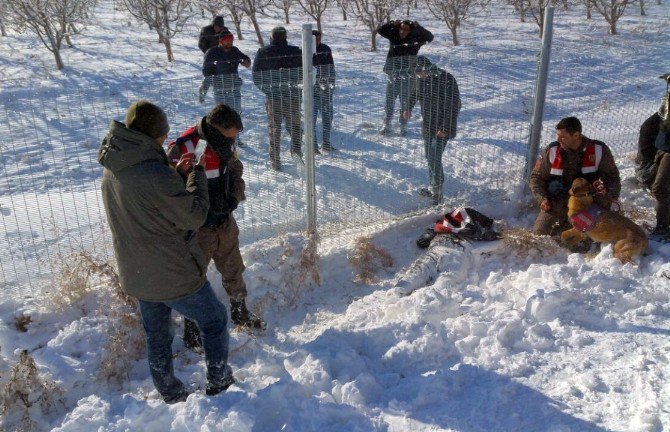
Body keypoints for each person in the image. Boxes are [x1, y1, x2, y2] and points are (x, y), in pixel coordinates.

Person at [98, 100, 234, 403]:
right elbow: (194, 215)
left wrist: (172, 171)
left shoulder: (116, 167)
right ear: (153, 136)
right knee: (214, 320)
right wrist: (195, 175)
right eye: (163, 134)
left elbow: (147, 202)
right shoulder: (153, 174)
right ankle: (219, 381)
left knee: (157, 335)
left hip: (138, 272)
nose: (165, 139)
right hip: (173, 271)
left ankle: (170, 392)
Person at [167, 104, 266, 348]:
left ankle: (240, 312)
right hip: (198, 227)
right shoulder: (185, 145)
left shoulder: (224, 143)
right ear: (215, 128)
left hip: (224, 221)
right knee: (194, 276)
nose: (233, 141)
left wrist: (234, 196)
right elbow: (169, 186)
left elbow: (235, 169)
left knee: (233, 268)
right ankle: (191, 329)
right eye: (230, 136)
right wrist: (199, 205)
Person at [530, 116, 621, 237]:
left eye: (563, 136)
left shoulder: (597, 150)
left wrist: (611, 198)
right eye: (557, 135)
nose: (558, 139)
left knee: (587, 238)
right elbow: (536, 178)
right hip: (557, 200)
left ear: (576, 135)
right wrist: (542, 199)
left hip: (588, 202)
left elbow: (612, 177)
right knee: (540, 232)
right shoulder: (552, 150)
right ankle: (564, 221)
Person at [404, 56, 461, 205]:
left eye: (420, 72)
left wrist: (446, 128)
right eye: (416, 74)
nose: (419, 76)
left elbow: (454, 105)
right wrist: (408, 108)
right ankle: (433, 187)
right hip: (428, 125)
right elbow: (415, 93)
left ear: (426, 68)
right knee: (429, 156)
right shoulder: (421, 79)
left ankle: (437, 192)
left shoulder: (446, 79)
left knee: (435, 157)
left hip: (443, 127)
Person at [252, 26, 303, 170]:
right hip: (293, 96)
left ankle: (275, 162)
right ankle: (297, 154)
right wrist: (296, 87)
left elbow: (256, 76)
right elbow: (304, 72)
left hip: (274, 99)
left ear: (272, 37)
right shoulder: (295, 51)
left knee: (274, 130)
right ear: (285, 37)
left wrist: (269, 91)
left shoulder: (263, 52)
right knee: (295, 128)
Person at [377, 19, 433, 136]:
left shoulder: (415, 40)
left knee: (405, 102)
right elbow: (380, 30)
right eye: (401, 28)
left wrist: (419, 27)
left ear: (410, 30)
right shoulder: (394, 36)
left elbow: (430, 37)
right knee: (389, 100)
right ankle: (386, 124)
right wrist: (392, 24)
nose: (403, 31)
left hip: (408, 75)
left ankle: (403, 126)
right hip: (393, 74)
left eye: (406, 29)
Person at [200, 31, 251, 147]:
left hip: (234, 88)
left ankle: (235, 139)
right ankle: (222, 139)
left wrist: (245, 61)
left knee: (236, 114)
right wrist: (208, 84)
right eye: (227, 41)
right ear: (221, 41)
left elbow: (246, 60)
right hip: (220, 88)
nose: (229, 43)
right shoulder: (212, 52)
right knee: (222, 116)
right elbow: (206, 71)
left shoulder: (234, 51)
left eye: (231, 40)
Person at [636, 73, 670, 239]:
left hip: (667, 150)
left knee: (660, 189)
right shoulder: (664, 108)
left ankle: (664, 228)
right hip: (664, 149)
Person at [312, 30, 336, 153]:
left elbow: (332, 68)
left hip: (326, 90)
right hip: (312, 92)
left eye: (318, 38)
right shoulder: (304, 51)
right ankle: (313, 146)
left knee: (327, 118)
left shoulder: (326, 49)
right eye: (314, 39)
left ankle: (326, 144)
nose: (317, 41)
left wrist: (332, 84)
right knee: (311, 120)